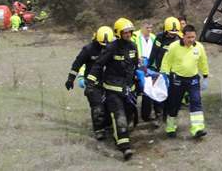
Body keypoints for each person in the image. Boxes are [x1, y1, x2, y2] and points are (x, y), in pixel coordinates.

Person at [88, 18, 139, 161]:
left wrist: (140, 78)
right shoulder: (111, 47)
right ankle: (125, 147)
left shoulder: (133, 46)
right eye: (125, 32)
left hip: (128, 90)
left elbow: (135, 66)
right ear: (118, 33)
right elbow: (98, 65)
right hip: (112, 89)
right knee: (119, 116)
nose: (128, 34)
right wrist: (90, 81)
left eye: (130, 31)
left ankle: (118, 134)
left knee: (128, 115)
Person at [65, 26, 114, 140]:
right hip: (92, 83)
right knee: (97, 107)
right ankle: (99, 130)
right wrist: (70, 79)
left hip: (109, 82)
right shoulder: (88, 49)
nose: (105, 47)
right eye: (102, 45)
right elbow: (77, 64)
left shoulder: (114, 47)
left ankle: (108, 125)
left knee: (110, 106)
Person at [161, 24, 209, 139]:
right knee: (174, 104)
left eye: (193, 37)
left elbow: (203, 62)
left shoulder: (199, 47)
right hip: (177, 79)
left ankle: (197, 128)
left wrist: (205, 76)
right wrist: (165, 76)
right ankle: (171, 127)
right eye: (189, 37)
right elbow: (166, 62)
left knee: (196, 101)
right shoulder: (173, 47)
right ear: (183, 36)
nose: (191, 40)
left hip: (193, 79)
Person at [142, 16, 181, 124]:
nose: (172, 35)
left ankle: (167, 116)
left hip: (174, 71)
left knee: (171, 95)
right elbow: (154, 52)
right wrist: (148, 67)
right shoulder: (159, 38)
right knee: (159, 92)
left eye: (174, 33)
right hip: (160, 70)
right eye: (170, 33)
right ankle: (158, 115)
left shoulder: (179, 40)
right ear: (165, 30)